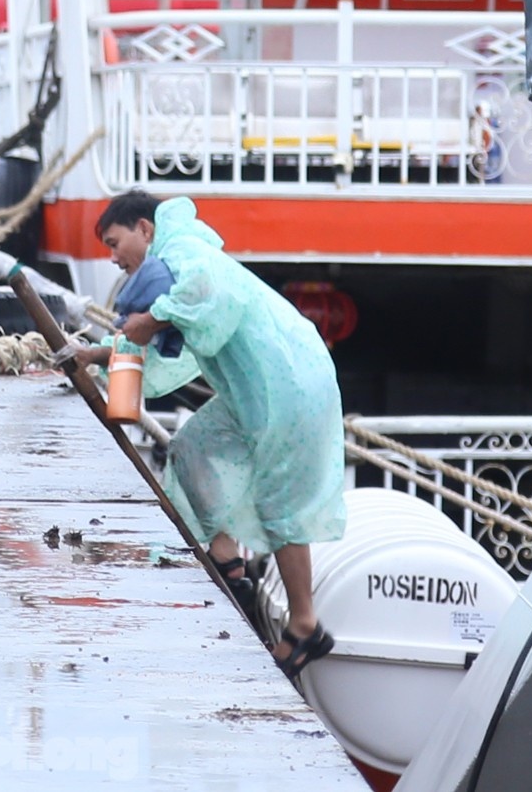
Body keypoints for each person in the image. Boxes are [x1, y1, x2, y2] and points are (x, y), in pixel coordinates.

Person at [76, 190, 347, 678]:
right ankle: (229, 565)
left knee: (280, 504)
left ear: (145, 229)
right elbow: (165, 346)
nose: (113, 258)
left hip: (289, 383)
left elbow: (207, 295)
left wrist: (151, 319)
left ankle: (306, 625)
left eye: (115, 243)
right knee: (193, 449)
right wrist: (96, 355)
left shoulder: (185, 252)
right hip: (260, 390)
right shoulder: (171, 271)